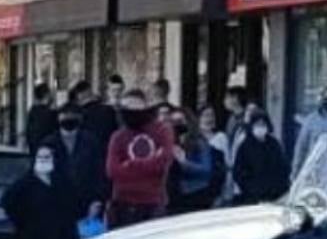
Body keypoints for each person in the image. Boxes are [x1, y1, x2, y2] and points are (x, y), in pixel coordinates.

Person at [105, 88, 174, 228]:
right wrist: (148, 165)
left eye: (134, 107)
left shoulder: (162, 131)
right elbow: (112, 170)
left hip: (152, 204)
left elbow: (163, 162)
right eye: (126, 108)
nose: (130, 113)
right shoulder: (118, 137)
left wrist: (129, 165)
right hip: (122, 204)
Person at [54, 101, 106, 217]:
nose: (68, 119)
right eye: (65, 115)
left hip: (85, 204)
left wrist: (97, 201)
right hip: (56, 204)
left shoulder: (90, 142)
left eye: (72, 116)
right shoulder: (49, 143)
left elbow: (98, 172)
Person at [167, 109, 225, 214]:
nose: (176, 125)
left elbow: (206, 170)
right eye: (173, 121)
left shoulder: (199, 142)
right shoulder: (169, 142)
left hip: (195, 194)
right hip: (174, 194)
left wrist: (184, 163)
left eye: (180, 121)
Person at [232, 110, 289, 205]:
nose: (260, 127)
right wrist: (251, 190)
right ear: (252, 126)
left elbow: (283, 168)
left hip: (275, 197)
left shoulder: (273, 144)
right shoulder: (245, 146)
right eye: (257, 124)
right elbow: (238, 173)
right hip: (252, 198)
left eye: (263, 124)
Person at [70, 77, 116, 150]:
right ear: (90, 91)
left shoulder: (77, 115)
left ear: (78, 96)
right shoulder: (109, 110)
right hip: (107, 153)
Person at [24, 81, 58, 153]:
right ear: (46, 95)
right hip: (48, 151)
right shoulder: (51, 113)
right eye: (50, 93)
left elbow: (28, 132)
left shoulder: (33, 111)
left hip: (35, 150)